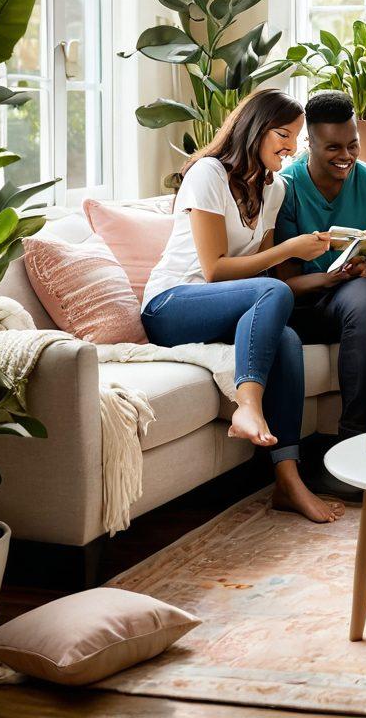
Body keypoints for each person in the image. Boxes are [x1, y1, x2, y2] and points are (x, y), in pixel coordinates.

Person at [141, 89, 342, 524]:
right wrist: (289, 248)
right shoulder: (208, 174)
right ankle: (247, 404)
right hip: (172, 304)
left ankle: (288, 483)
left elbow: (263, 279)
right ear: (255, 129)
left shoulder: (275, 189)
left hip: (226, 307)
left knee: (286, 336)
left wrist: (333, 273)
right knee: (275, 295)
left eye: (296, 137)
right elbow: (214, 270)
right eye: (283, 134)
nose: (291, 147)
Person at [274, 91, 366, 447]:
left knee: (364, 296)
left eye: (353, 145)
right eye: (333, 148)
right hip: (301, 307)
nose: (345, 156)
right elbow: (284, 284)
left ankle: (352, 442)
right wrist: (337, 276)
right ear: (310, 143)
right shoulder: (285, 189)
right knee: (356, 294)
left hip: (356, 302)